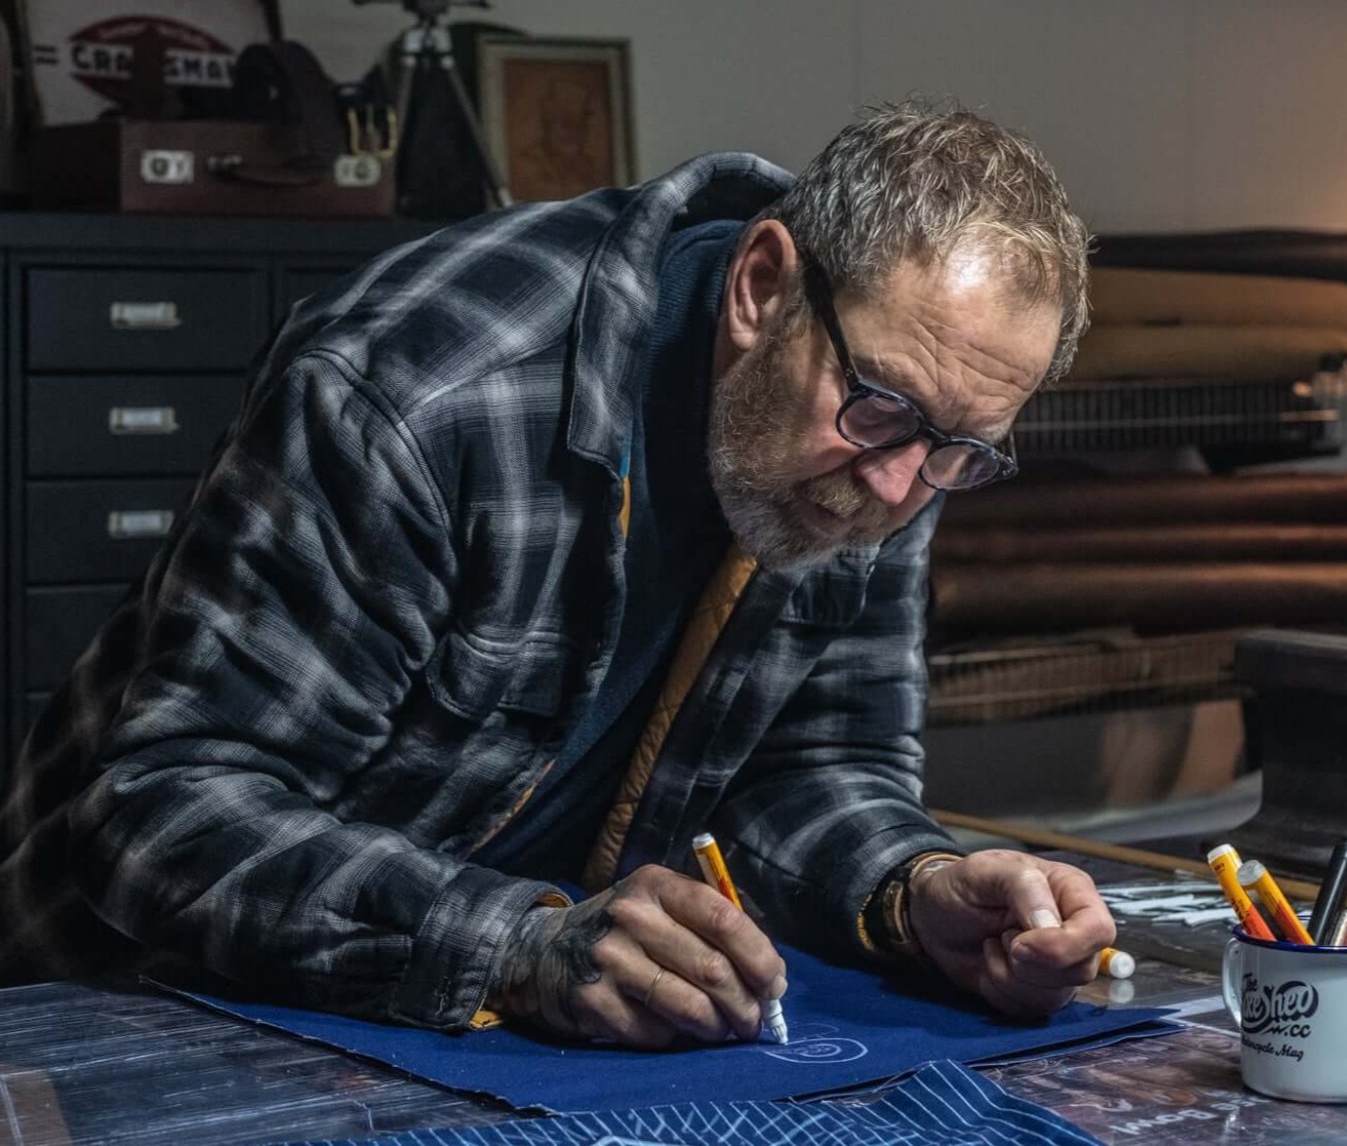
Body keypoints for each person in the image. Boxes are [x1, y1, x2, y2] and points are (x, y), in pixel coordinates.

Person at [0, 101, 1115, 1047]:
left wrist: (912, 890)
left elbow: (817, 763)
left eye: (959, 450)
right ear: (761, 285)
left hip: (486, 1037)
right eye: (881, 411)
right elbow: (159, 817)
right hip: (129, 1011)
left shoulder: (894, 439)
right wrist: (519, 944)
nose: (894, 489)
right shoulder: (410, 393)